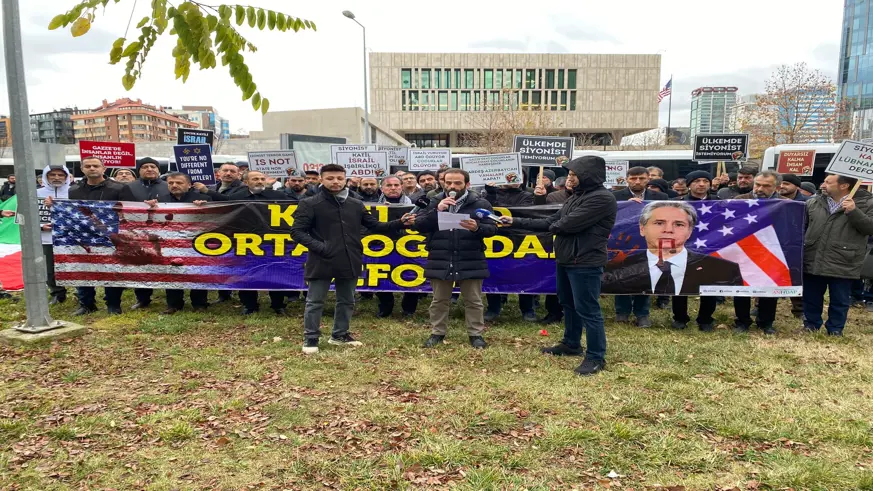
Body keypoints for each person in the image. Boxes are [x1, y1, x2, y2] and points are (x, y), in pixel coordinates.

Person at [501, 156, 617, 376]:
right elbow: (549, 221)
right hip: (566, 258)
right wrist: (513, 222)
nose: (570, 179)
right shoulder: (577, 197)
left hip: (585, 260)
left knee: (588, 309)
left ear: (587, 176)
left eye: (574, 175)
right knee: (568, 303)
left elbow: (565, 225)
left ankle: (595, 357)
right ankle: (571, 344)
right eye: (570, 175)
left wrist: (554, 224)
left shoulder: (602, 198)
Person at [291, 164, 405, 354]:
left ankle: (340, 335)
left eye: (339, 178)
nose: (335, 182)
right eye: (330, 178)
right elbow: (297, 232)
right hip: (321, 259)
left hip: (350, 258)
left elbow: (374, 226)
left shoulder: (356, 204)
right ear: (321, 179)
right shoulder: (310, 203)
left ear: (345, 179)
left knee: (347, 300)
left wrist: (400, 222)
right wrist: (321, 247)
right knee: (315, 301)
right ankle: (311, 337)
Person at [403, 168, 497, 349]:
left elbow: (493, 228)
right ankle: (437, 332)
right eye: (448, 183)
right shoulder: (432, 201)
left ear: (467, 184)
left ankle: (475, 334)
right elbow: (418, 225)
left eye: (458, 183)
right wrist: (437, 210)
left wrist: (477, 228)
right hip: (441, 256)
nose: (452, 186)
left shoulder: (480, 203)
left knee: (474, 300)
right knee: (439, 300)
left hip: (470, 257)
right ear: (443, 183)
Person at [603, 201, 743, 295]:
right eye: (659, 223)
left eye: (679, 224)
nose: (668, 230)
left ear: (690, 231)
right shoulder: (620, 265)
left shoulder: (724, 269)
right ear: (642, 229)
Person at [803, 174, 873, 336]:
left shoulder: (866, 203)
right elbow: (804, 226)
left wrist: (854, 212)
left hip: (844, 258)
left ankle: (835, 329)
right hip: (813, 256)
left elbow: (870, 229)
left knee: (839, 299)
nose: (823, 184)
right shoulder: (814, 202)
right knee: (811, 296)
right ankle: (811, 325)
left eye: (828, 182)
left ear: (844, 186)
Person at [58, 157, 126, 315]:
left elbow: (130, 210)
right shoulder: (73, 189)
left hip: (111, 235)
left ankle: (113, 304)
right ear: (82, 169)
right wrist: (53, 205)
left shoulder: (119, 188)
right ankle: (86, 304)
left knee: (112, 269)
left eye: (96, 165)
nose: (92, 168)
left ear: (104, 168)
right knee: (82, 267)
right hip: (82, 235)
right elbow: (71, 212)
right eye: (87, 166)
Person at [611, 166, 669, 328]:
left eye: (642, 178)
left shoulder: (661, 196)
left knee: (645, 277)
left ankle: (642, 314)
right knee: (621, 277)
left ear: (648, 179)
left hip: (649, 243)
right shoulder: (615, 196)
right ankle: (621, 312)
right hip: (623, 243)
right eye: (633, 178)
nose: (637, 182)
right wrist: (623, 205)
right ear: (627, 179)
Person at [145, 173, 212, 314]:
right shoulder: (161, 201)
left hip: (195, 243)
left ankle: (199, 303)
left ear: (189, 185)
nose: (174, 185)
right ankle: (174, 304)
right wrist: (150, 208)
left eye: (179, 183)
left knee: (197, 272)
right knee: (172, 271)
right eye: (171, 183)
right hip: (171, 243)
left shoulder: (203, 199)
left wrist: (205, 207)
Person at [731, 170, 785, 335]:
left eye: (766, 186)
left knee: (769, 287)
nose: (760, 189)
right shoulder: (739, 201)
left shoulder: (785, 204)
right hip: (743, 249)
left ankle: (766, 322)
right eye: (757, 184)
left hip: (772, 250)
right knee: (741, 287)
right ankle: (742, 321)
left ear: (777, 186)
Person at [228, 171, 289, 314]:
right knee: (246, 273)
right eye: (255, 179)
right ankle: (249, 305)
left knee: (276, 272)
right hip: (246, 241)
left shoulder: (278, 196)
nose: (260, 181)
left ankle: (278, 305)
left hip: (273, 241)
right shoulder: (235, 197)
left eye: (262, 179)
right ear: (246, 182)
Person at [667, 170, 720, 331]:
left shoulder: (721, 203)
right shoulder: (675, 203)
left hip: (711, 249)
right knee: (680, 284)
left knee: (709, 285)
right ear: (689, 185)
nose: (701, 184)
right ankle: (680, 318)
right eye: (697, 181)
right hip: (682, 248)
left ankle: (705, 319)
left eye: (705, 181)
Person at [118, 157, 169, 311]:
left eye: (152, 166)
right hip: (137, 231)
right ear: (139, 170)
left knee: (167, 263)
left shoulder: (168, 186)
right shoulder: (129, 187)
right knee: (140, 264)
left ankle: (172, 299)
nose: (149, 169)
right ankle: (142, 298)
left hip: (164, 231)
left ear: (158, 170)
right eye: (145, 167)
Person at [482, 180, 537, 322]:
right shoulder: (488, 194)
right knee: (494, 272)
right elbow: (488, 210)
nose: (512, 181)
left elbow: (526, 212)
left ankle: (527, 309)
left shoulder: (527, 195)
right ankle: (493, 307)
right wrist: (491, 193)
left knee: (524, 273)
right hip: (496, 239)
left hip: (520, 239)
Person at [37, 165, 72, 305]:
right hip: (47, 238)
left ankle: (82, 292)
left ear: (66, 177)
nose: (57, 178)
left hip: (72, 237)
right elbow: (25, 215)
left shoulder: (74, 192)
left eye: (60, 175)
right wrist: (40, 226)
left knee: (76, 264)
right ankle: (57, 293)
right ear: (46, 177)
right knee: (49, 267)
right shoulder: (35, 193)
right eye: (52, 175)